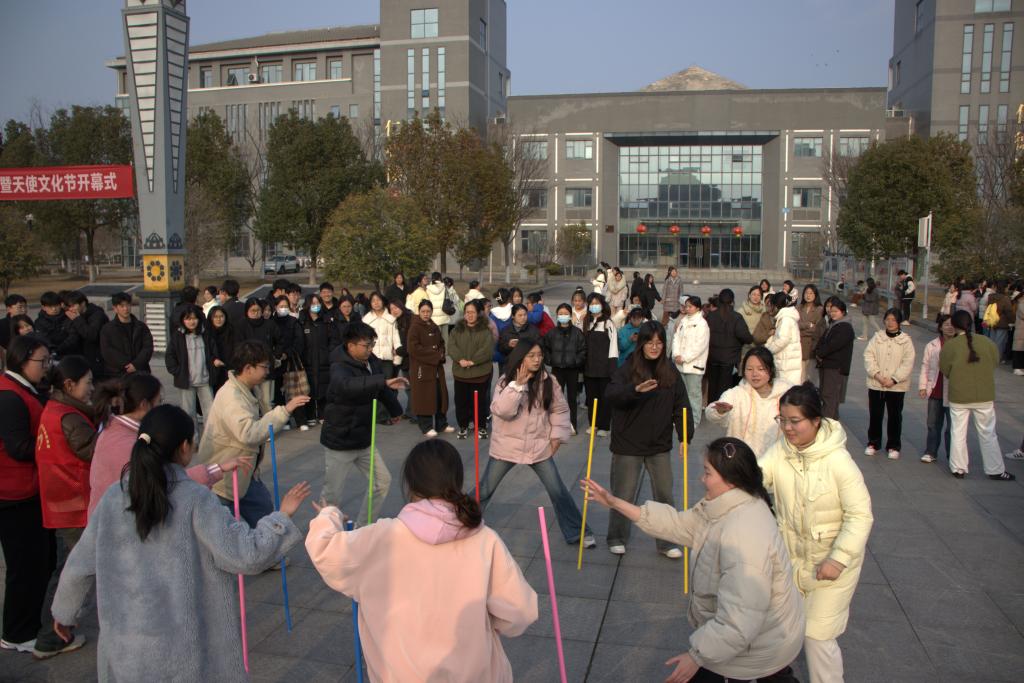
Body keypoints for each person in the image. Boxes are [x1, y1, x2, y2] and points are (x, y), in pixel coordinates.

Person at [52, 404, 309, 682]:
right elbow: (246, 554)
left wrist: (65, 613)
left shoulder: (115, 496)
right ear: (184, 447)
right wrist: (281, 518)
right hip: (185, 651)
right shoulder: (196, 499)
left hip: (126, 648)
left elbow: (79, 565)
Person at [306, 439, 537, 682]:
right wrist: (483, 623)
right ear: (457, 480)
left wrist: (328, 515)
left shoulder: (381, 536)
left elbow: (325, 550)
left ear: (411, 484)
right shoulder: (485, 540)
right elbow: (521, 612)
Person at [581, 438, 804, 683]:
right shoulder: (725, 505)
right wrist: (615, 502)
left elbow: (740, 620)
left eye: (707, 473)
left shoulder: (744, 534)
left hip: (754, 651)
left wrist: (696, 656)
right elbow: (678, 525)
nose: (701, 479)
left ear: (731, 480)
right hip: (743, 642)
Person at [759, 383, 873, 683]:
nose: (787, 428)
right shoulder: (780, 451)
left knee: (817, 636)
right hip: (792, 562)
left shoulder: (838, 462)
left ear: (816, 421)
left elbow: (860, 515)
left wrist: (838, 558)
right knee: (776, 627)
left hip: (831, 567)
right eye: (782, 420)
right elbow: (758, 476)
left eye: (795, 421)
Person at [480, 341, 594, 546]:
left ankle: (577, 531)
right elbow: (502, 411)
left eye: (539, 355)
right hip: (506, 447)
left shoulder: (548, 381)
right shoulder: (506, 381)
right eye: (531, 355)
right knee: (485, 489)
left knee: (557, 490)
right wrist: (517, 386)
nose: (537, 359)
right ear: (520, 357)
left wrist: (556, 437)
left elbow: (559, 409)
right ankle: (460, 523)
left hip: (537, 447)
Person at [87, 374, 250, 517]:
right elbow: (165, 483)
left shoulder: (113, 429)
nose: (161, 407)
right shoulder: (127, 445)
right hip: (116, 528)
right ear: (144, 405)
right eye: (159, 402)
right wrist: (216, 469)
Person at [196, 340, 310, 527]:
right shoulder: (232, 396)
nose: (267, 371)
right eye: (264, 367)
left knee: (266, 516)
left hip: (245, 474)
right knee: (224, 530)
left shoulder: (249, 389)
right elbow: (248, 433)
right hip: (225, 480)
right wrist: (284, 411)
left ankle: (271, 543)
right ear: (248, 368)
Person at [604, 321, 693, 557]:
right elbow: (611, 394)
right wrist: (634, 390)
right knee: (624, 493)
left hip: (659, 444)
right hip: (628, 443)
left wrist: (684, 436)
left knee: (664, 494)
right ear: (641, 343)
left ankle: (667, 542)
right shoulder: (628, 368)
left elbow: (682, 405)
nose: (654, 347)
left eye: (659, 342)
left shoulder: (670, 371)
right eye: (649, 342)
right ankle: (616, 536)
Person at [33, 355, 100, 659]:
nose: (92, 388)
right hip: (72, 502)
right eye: (88, 383)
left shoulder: (56, 409)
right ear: (70, 385)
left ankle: (55, 629)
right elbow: (95, 451)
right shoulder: (71, 418)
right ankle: (52, 635)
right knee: (72, 572)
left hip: (61, 501)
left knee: (67, 568)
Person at [0, 335, 56, 655]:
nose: (46, 367)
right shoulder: (9, 396)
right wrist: (54, 444)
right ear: (22, 361)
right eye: (42, 361)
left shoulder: (25, 389)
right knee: (24, 567)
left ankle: (29, 623)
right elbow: (19, 447)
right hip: (15, 495)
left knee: (41, 561)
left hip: (30, 490)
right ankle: (17, 633)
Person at [319, 322, 406, 526]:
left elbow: (381, 387)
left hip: (364, 438)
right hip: (340, 440)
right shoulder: (339, 365)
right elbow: (346, 386)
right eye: (366, 345)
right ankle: (323, 534)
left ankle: (364, 527)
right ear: (351, 345)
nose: (370, 349)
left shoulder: (371, 361)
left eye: (372, 344)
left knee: (381, 481)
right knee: (332, 496)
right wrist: (382, 382)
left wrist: (395, 410)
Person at [940, 310, 1015, 480]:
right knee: (988, 433)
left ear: (954, 325)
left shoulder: (950, 345)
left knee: (958, 432)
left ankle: (958, 468)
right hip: (984, 394)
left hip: (959, 395)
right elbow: (994, 362)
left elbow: (945, 369)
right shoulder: (987, 342)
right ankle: (995, 469)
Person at [706, 347, 792, 458]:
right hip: (741, 460)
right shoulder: (736, 394)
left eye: (761, 369)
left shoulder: (787, 393)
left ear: (770, 370)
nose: (754, 374)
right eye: (749, 369)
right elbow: (711, 412)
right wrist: (720, 411)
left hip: (776, 460)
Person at [863, 308, 915, 460]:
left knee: (895, 416)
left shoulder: (906, 341)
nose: (890, 323)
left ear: (899, 322)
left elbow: (908, 362)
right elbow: (868, 356)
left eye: (893, 320)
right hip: (876, 383)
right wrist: (877, 375)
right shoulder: (877, 337)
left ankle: (893, 445)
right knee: (875, 414)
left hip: (896, 387)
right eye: (887, 319)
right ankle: (873, 443)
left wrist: (894, 379)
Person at [164, 305, 215, 433]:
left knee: (210, 412)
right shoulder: (178, 336)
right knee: (188, 413)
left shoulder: (205, 334)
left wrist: (214, 368)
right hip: (186, 381)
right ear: (183, 320)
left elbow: (213, 353)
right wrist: (177, 371)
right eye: (188, 319)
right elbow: (170, 356)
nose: (192, 322)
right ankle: (193, 439)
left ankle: (210, 439)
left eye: (194, 318)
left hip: (205, 379)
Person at [448, 300, 494, 439]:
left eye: (473, 312)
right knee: (461, 402)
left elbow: (487, 349)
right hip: (461, 373)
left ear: (478, 313)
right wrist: (460, 360)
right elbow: (451, 347)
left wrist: (473, 361)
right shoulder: (456, 330)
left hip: (480, 373)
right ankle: (463, 426)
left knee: (480, 402)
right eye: (467, 312)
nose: (470, 315)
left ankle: (481, 426)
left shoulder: (485, 330)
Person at [408, 300, 452, 437]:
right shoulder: (415, 327)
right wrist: (435, 354)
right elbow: (413, 348)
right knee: (424, 396)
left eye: (428, 311)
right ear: (419, 312)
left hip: (436, 368)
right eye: (423, 311)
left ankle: (441, 424)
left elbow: (441, 343)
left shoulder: (434, 326)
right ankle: (426, 426)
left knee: (440, 395)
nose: (426, 314)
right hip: (422, 368)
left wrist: (441, 353)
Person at [917, 314, 955, 465]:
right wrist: (922, 386)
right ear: (940, 327)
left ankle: (953, 456)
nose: (950, 327)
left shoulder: (960, 345)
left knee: (952, 427)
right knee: (933, 424)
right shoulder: (932, 345)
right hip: (935, 390)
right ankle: (931, 452)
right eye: (946, 324)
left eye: (952, 324)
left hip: (953, 392)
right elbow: (925, 366)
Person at [543, 303, 586, 434]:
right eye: (560, 314)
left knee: (572, 398)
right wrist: (550, 360)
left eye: (565, 313)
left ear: (570, 315)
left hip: (572, 370)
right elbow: (545, 349)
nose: (563, 316)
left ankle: (572, 425)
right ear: (557, 316)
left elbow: (583, 350)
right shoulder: (552, 333)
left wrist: (575, 361)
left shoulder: (577, 333)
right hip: (557, 369)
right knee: (556, 398)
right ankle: (556, 424)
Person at [298, 293, 340, 425]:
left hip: (324, 361)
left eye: (318, 303)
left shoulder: (326, 321)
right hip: (308, 361)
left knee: (324, 387)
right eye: (313, 303)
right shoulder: (302, 322)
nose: (316, 306)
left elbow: (334, 340)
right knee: (308, 387)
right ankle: (310, 415)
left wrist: (329, 353)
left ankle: (323, 414)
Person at [705, 289, 753, 403]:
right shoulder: (736, 317)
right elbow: (746, 337)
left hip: (712, 357)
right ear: (732, 301)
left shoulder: (711, 316)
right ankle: (723, 408)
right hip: (729, 358)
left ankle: (711, 408)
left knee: (712, 386)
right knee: (725, 388)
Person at [582, 293, 618, 436]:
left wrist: (612, 367)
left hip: (605, 368)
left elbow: (614, 346)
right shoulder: (586, 322)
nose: (594, 306)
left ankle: (604, 426)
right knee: (591, 397)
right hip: (589, 367)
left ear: (602, 305)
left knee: (604, 398)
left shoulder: (608, 323)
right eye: (591, 304)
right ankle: (593, 424)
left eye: (596, 303)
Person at [238, 297, 283, 409]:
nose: (256, 313)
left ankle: (268, 420)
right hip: (248, 367)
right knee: (249, 400)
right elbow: (238, 345)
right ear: (247, 311)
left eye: (258, 310)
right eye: (252, 310)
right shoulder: (241, 325)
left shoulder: (269, 324)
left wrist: (275, 355)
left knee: (266, 400)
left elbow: (280, 341)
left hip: (265, 367)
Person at [671, 296, 709, 427]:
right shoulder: (683, 321)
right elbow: (676, 338)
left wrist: (684, 358)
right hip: (680, 364)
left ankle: (694, 420)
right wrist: (676, 354)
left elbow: (700, 346)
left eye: (690, 306)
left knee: (693, 395)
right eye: (686, 306)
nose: (687, 309)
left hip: (694, 366)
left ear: (697, 308)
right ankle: (681, 419)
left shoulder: (702, 324)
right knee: (681, 394)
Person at [815, 298, 856, 420]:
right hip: (827, 365)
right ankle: (831, 422)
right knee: (826, 396)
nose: (832, 313)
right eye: (831, 311)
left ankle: (829, 424)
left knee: (830, 397)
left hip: (835, 367)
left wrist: (820, 353)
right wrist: (818, 352)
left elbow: (833, 345)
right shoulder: (833, 325)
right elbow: (822, 341)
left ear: (842, 312)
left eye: (836, 311)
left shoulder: (845, 327)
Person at [100, 292, 154, 378]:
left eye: (128, 305)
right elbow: (107, 351)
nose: (126, 308)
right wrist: (127, 365)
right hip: (117, 374)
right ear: (115, 308)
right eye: (122, 306)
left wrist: (136, 364)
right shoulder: (107, 329)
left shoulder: (141, 326)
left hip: (140, 372)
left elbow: (148, 347)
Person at [62, 291, 109, 381]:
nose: (71, 309)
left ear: (83, 303)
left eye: (73, 306)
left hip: (97, 360)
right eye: (69, 307)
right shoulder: (74, 316)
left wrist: (77, 319)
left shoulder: (97, 315)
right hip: (81, 358)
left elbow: (91, 335)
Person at [764, 292, 802, 386]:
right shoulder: (786, 317)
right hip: (788, 361)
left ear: (776, 306)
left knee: (785, 388)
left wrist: (768, 350)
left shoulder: (786, 319)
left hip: (786, 363)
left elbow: (782, 340)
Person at [390, 300, 415, 420]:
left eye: (396, 308)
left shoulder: (410, 320)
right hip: (403, 359)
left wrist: (397, 351)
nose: (394, 311)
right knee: (408, 386)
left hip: (410, 358)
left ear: (401, 307)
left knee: (412, 387)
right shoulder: (396, 321)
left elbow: (410, 343)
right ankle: (410, 411)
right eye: (391, 309)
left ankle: (415, 413)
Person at [798, 284, 826, 383]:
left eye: (811, 293)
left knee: (810, 378)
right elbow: (795, 325)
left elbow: (818, 329)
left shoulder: (820, 310)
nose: (808, 295)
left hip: (812, 347)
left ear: (815, 295)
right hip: (799, 346)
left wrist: (802, 329)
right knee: (799, 378)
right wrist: (808, 325)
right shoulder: (798, 308)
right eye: (806, 293)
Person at [206, 305, 235, 393]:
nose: (219, 319)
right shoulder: (206, 333)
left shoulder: (232, 331)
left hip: (229, 370)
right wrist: (213, 359)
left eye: (221, 316)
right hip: (212, 371)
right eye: (215, 317)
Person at [34, 291, 71, 356]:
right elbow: (42, 339)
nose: (54, 309)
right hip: (49, 353)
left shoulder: (69, 317)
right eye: (50, 306)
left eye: (56, 305)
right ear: (43, 307)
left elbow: (73, 337)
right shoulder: (39, 322)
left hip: (70, 352)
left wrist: (60, 349)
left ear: (60, 305)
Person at [984, 280, 1014, 360]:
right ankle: (997, 358)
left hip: (992, 321)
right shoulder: (1005, 298)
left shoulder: (990, 297)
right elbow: (1009, 312)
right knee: (1000, 342)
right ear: (1004, 288)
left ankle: (990, 356)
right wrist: (1012, 321)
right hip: (1002, 323)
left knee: (992, 340)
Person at [740, 285, 771, 350]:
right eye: (753, 294)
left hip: (763, 346)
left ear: (761, 297)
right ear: (749, 295)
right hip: (746, 347)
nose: (756, 297)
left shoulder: (765, 311)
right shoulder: (741, 311)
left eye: (758, 295)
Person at [1014, 289, 1024, 376]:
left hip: (1021, 330)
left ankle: (1020, 367)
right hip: (1021, 329)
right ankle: (1017, 368)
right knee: (1019, 349)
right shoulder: (1021, 303)